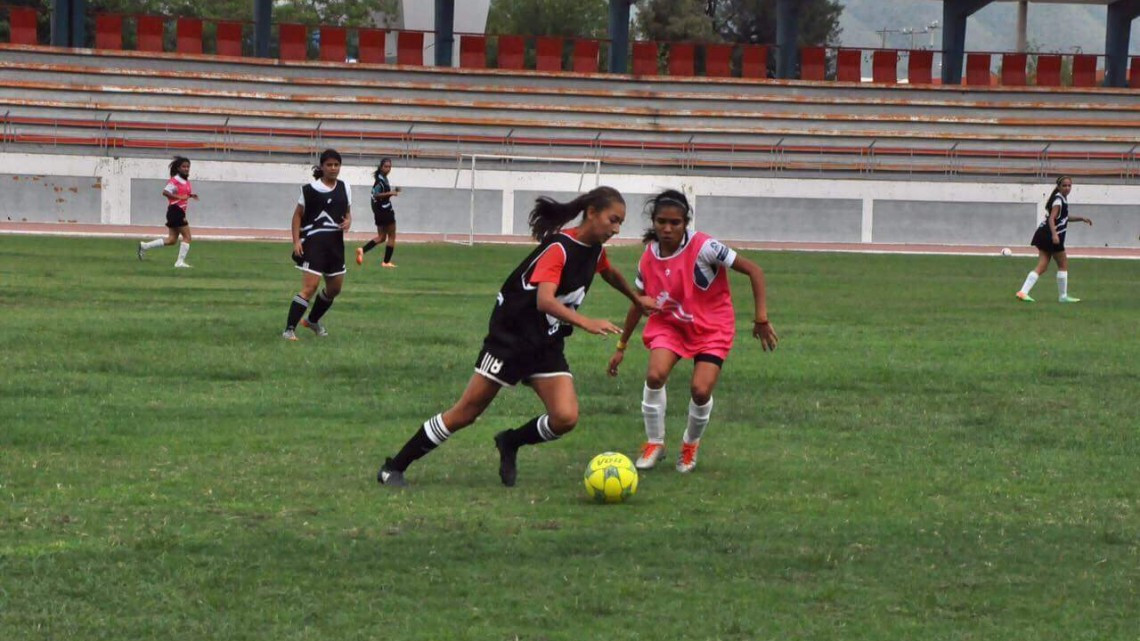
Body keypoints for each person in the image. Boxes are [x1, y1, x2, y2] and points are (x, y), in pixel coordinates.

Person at [377, 186, 657, 488]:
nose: (615, 229)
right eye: (612, 220)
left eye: (620, 223)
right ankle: (393, 467)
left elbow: (609, 271)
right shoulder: (559, 249)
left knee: (565, 417)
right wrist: (586, 322)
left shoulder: (595, 249)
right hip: (510, 339)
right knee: (466, 413)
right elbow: (545, 301)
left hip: (545, 342)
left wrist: (635, 298)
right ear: (591, 213)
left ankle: (510, 441)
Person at [606, 189, 778, 474]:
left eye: (675, 222)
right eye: (662, 222)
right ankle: (654, 443)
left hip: (712, 327)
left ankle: (690, 444)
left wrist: (761, 318)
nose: (668, 228)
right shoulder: (648, 258)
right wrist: (621, 347)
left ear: (685, 222)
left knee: (700, 391)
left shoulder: (706, 247)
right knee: (654, 375)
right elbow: (638, 303)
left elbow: (754, 271)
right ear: (654, 222)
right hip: (670, 324)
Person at [282, 149, 352, 340]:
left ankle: (312, 320)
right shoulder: (309, 190)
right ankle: (289, 330)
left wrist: (348, 221)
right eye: (329, 165)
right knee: (310, 287)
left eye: (336, 164)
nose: (333, 168)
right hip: (313, 244)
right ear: (322, 166)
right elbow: (297, 215)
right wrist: (296, 240)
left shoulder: (345, 187)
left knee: (335, 289)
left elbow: (347, 212)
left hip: (335, 246)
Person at [1016, 176, 1093, 303]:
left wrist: (1081, 218)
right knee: (1063, 264)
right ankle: (1063, 297)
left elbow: (1063, 218)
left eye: (1069, 186)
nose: (1067, 188)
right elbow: (1052, 218)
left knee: (1043, 266)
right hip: (1050, 235)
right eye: (1064, 186)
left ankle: (1023, 292)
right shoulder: (1058, 200)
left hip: (1043, 234)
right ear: (1058, 187)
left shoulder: (1061, 199)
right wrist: (1054, 235)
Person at [137, 156, 197, 268]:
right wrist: (178, 196)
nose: (186, 169)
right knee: (187, 237)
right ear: (178, 168)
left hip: (176, 211)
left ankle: (144, 246)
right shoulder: (175, 180)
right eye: (184, 166)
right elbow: (165, 192)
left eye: (188, 166)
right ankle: (179, 262)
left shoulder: (185, 181)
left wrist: (190, 196)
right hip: (176, 211)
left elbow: (183, 194)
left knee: (172, 240)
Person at [356, 158, 399, 268]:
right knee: (392, 236)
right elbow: (376, 194)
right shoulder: (380, 181)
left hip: (379, 211)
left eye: (389, 166)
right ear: (381, 167)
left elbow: (378, 195)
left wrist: (391, 193)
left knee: (381, 237)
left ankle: (362, 250)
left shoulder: (382, 178)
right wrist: (391, 193)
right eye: (386, 166)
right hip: (384, 210)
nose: (388, 169)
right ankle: (386, 262)